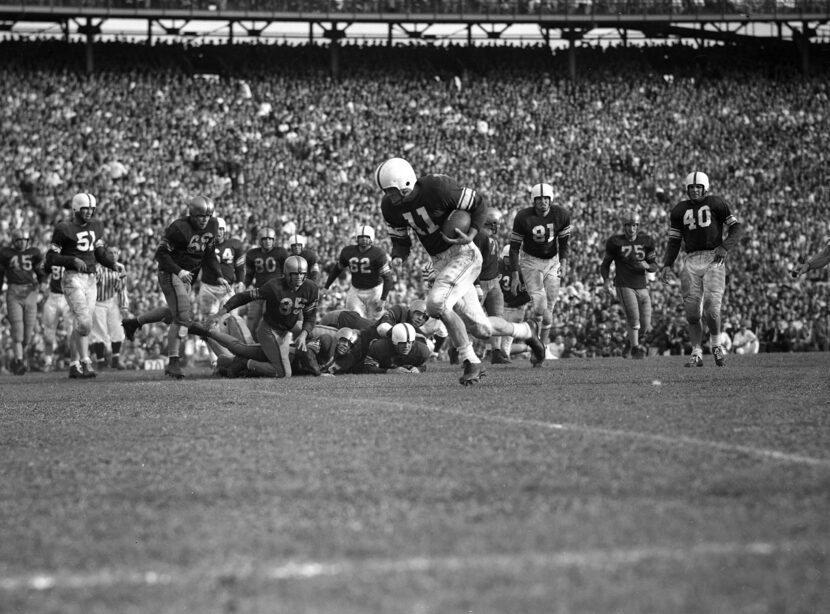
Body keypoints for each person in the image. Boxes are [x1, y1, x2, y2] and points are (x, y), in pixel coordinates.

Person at [375, 157, 545, 386]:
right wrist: (397, 256)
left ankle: (470, 361)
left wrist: (473, 232)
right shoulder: (390, 207)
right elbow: (401, 240)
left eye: (392, 191)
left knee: (436, 303)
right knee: (482, 328)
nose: (389, 196)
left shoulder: (437, 188)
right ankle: (527, 330)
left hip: (463, 252)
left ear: (405, 182)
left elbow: (479, 204)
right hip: (439, 261)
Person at [660, 171, 742, 367]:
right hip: (690, 260)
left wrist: (724, 246)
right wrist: (667, 264)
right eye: (691, 187)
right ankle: (696, 352)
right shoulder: (679, 209)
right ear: (687, 189)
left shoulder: (716, 203)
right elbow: (674, 240)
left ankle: (716, 344)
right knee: (691, 312)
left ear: (705, 188)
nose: (695, 190)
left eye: (698, 187)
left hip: (714, 258)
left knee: (712, 308)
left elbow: (736, 227)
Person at [193, 255, 318, 378]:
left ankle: (221, 354)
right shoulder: (274, 287)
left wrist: (303, 334)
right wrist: (221, 312)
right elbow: (244, 297)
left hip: (283, 333)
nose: (299, 278)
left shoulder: (310, 288)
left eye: (302, 274)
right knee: (284, 373)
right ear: (286, 273)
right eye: (295, 274)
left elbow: (310, 317)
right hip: (269, 330)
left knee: (244, 350)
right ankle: (244, 362)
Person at [45, 192, 121, 379]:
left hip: (91, 280)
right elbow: (51, 257)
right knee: (85, 322)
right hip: (73, 279)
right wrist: (72, 260)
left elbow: (100, 252)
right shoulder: (64, 228)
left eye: (91, 209)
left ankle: (74, 364)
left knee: (81, 323)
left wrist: (113, 264)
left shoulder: (97, 226)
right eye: (85, 208)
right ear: (76, 209)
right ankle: (86, 361)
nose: (89, 212)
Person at [153, 195, 229, 380]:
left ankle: (137, 322)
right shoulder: (179, 228)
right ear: (192, 214)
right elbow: (160, 254)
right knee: (181, 317)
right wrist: (178, 271)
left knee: (175, 315)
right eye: (201, 216)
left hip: (188, 277)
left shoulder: (212, 225)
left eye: (208, 215)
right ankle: (173, 362)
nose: (205, 219)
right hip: (171, 273)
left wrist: (219, 275)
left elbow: (209, 254)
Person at [509, 182, 572, 349]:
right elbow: (514, 248)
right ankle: (534, 338)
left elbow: (564, 244)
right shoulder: (523, 217)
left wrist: (563, 263)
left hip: (552, 261)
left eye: (545, 198)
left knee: (549, 310)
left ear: (550, 200)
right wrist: (515, 275)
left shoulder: (561, 214)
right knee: (540, 305)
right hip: (531, 261)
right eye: (539, 199)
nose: (542, 202)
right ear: (533, 200)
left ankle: (542, 346)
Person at [600, 209, 659, 359]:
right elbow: (605, 264)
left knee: (645, 326)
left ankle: (629, 344)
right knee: (634, 318)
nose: (630, 228)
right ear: (623, 226)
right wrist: (606, 281)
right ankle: (635, 349)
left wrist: (647, 266)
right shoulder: (615, 241)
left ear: (638, 226)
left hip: (642, 285)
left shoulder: (647, 240)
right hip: (624, 283)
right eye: (628, 225)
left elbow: (654, 265)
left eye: (633, 225)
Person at [198, 216, 245, 368]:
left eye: (222, 229)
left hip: (228, 289)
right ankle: (214, 359)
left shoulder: (234, 244)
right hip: (209, 288)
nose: (219, 232)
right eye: (217, 229)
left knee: (233, 322)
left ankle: (237, 357)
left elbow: (239, 266)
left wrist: (241, 281)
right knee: (210, 324)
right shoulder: (204, 245)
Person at [0, 227, 47, 375]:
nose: (21, 243)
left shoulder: (34, 253)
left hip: (30, 293)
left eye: (24, 240)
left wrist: (42, 281)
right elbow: (0, 274)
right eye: (18, 240)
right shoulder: (5, 254)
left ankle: (19, 357)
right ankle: (19, 361)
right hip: (14, 292)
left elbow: (39, 270)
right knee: (18, 331)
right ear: (14, 241)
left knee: (28, 334)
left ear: (28, 240)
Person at [322, 224, 394, 319]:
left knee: (375, 320)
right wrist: (326, 286)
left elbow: (388, 278)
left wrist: (383, 299)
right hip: (356, 290)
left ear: (372, 238)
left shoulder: (378, 253)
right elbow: (337, 269)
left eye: (366, 237)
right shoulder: (348, 251)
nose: (364, 239)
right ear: (356, 238)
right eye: (361, 237)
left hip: (375, 290)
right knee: (354, 319)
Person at [243, 226, 289, 339]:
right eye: (265, 239)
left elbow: (287, 273)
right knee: (251, 323)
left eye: (270, 238)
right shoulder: (252, 254)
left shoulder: (281, 252)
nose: (268, 241)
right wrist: (243, 284)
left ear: (274, 240)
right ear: (260, 240)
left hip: (275, 293)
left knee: (268, 323)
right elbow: (249, 275)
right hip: (259, 291)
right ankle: (250, 351)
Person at [474, 208, 506, 363]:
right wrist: (476, 284)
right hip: (481, 283)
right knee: (472, 319)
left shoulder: (492, 237)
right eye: (495, 223)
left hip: (494, 283)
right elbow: (474, 262)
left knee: (497, 318)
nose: (497, 226)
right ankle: (462, 352)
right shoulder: (480, 236)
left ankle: (497, 352)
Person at [90, 246, 129, 370]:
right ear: (105, 255)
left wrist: (124, 306)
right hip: (98, 302)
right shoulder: (98, 267)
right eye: (110, 253)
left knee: (117, 329)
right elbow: (92, 286)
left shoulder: (120, 267)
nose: (113, 255)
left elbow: (122, 288)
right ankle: (100, 361)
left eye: (116, 252)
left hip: (112, 300)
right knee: (99, 331)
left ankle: (116, 360)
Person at [359, 322, 431, 374]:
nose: (406, 346)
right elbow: (367, 368)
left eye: (409, 342)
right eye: (402, 343)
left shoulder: (421, 351)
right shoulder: (380, 347)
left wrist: (418, 369)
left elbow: (423, 365)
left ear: (413, 342)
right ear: (394, 341)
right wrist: (389, 371)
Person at [40, 264, 73, 372]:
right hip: (53, 297)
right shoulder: (52, 256)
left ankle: (75, 362)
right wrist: (44, 282)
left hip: (68, 296)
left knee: (72, 330)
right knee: (48, 331)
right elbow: (44, 272)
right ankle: (48, 361)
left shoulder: (71, 254)